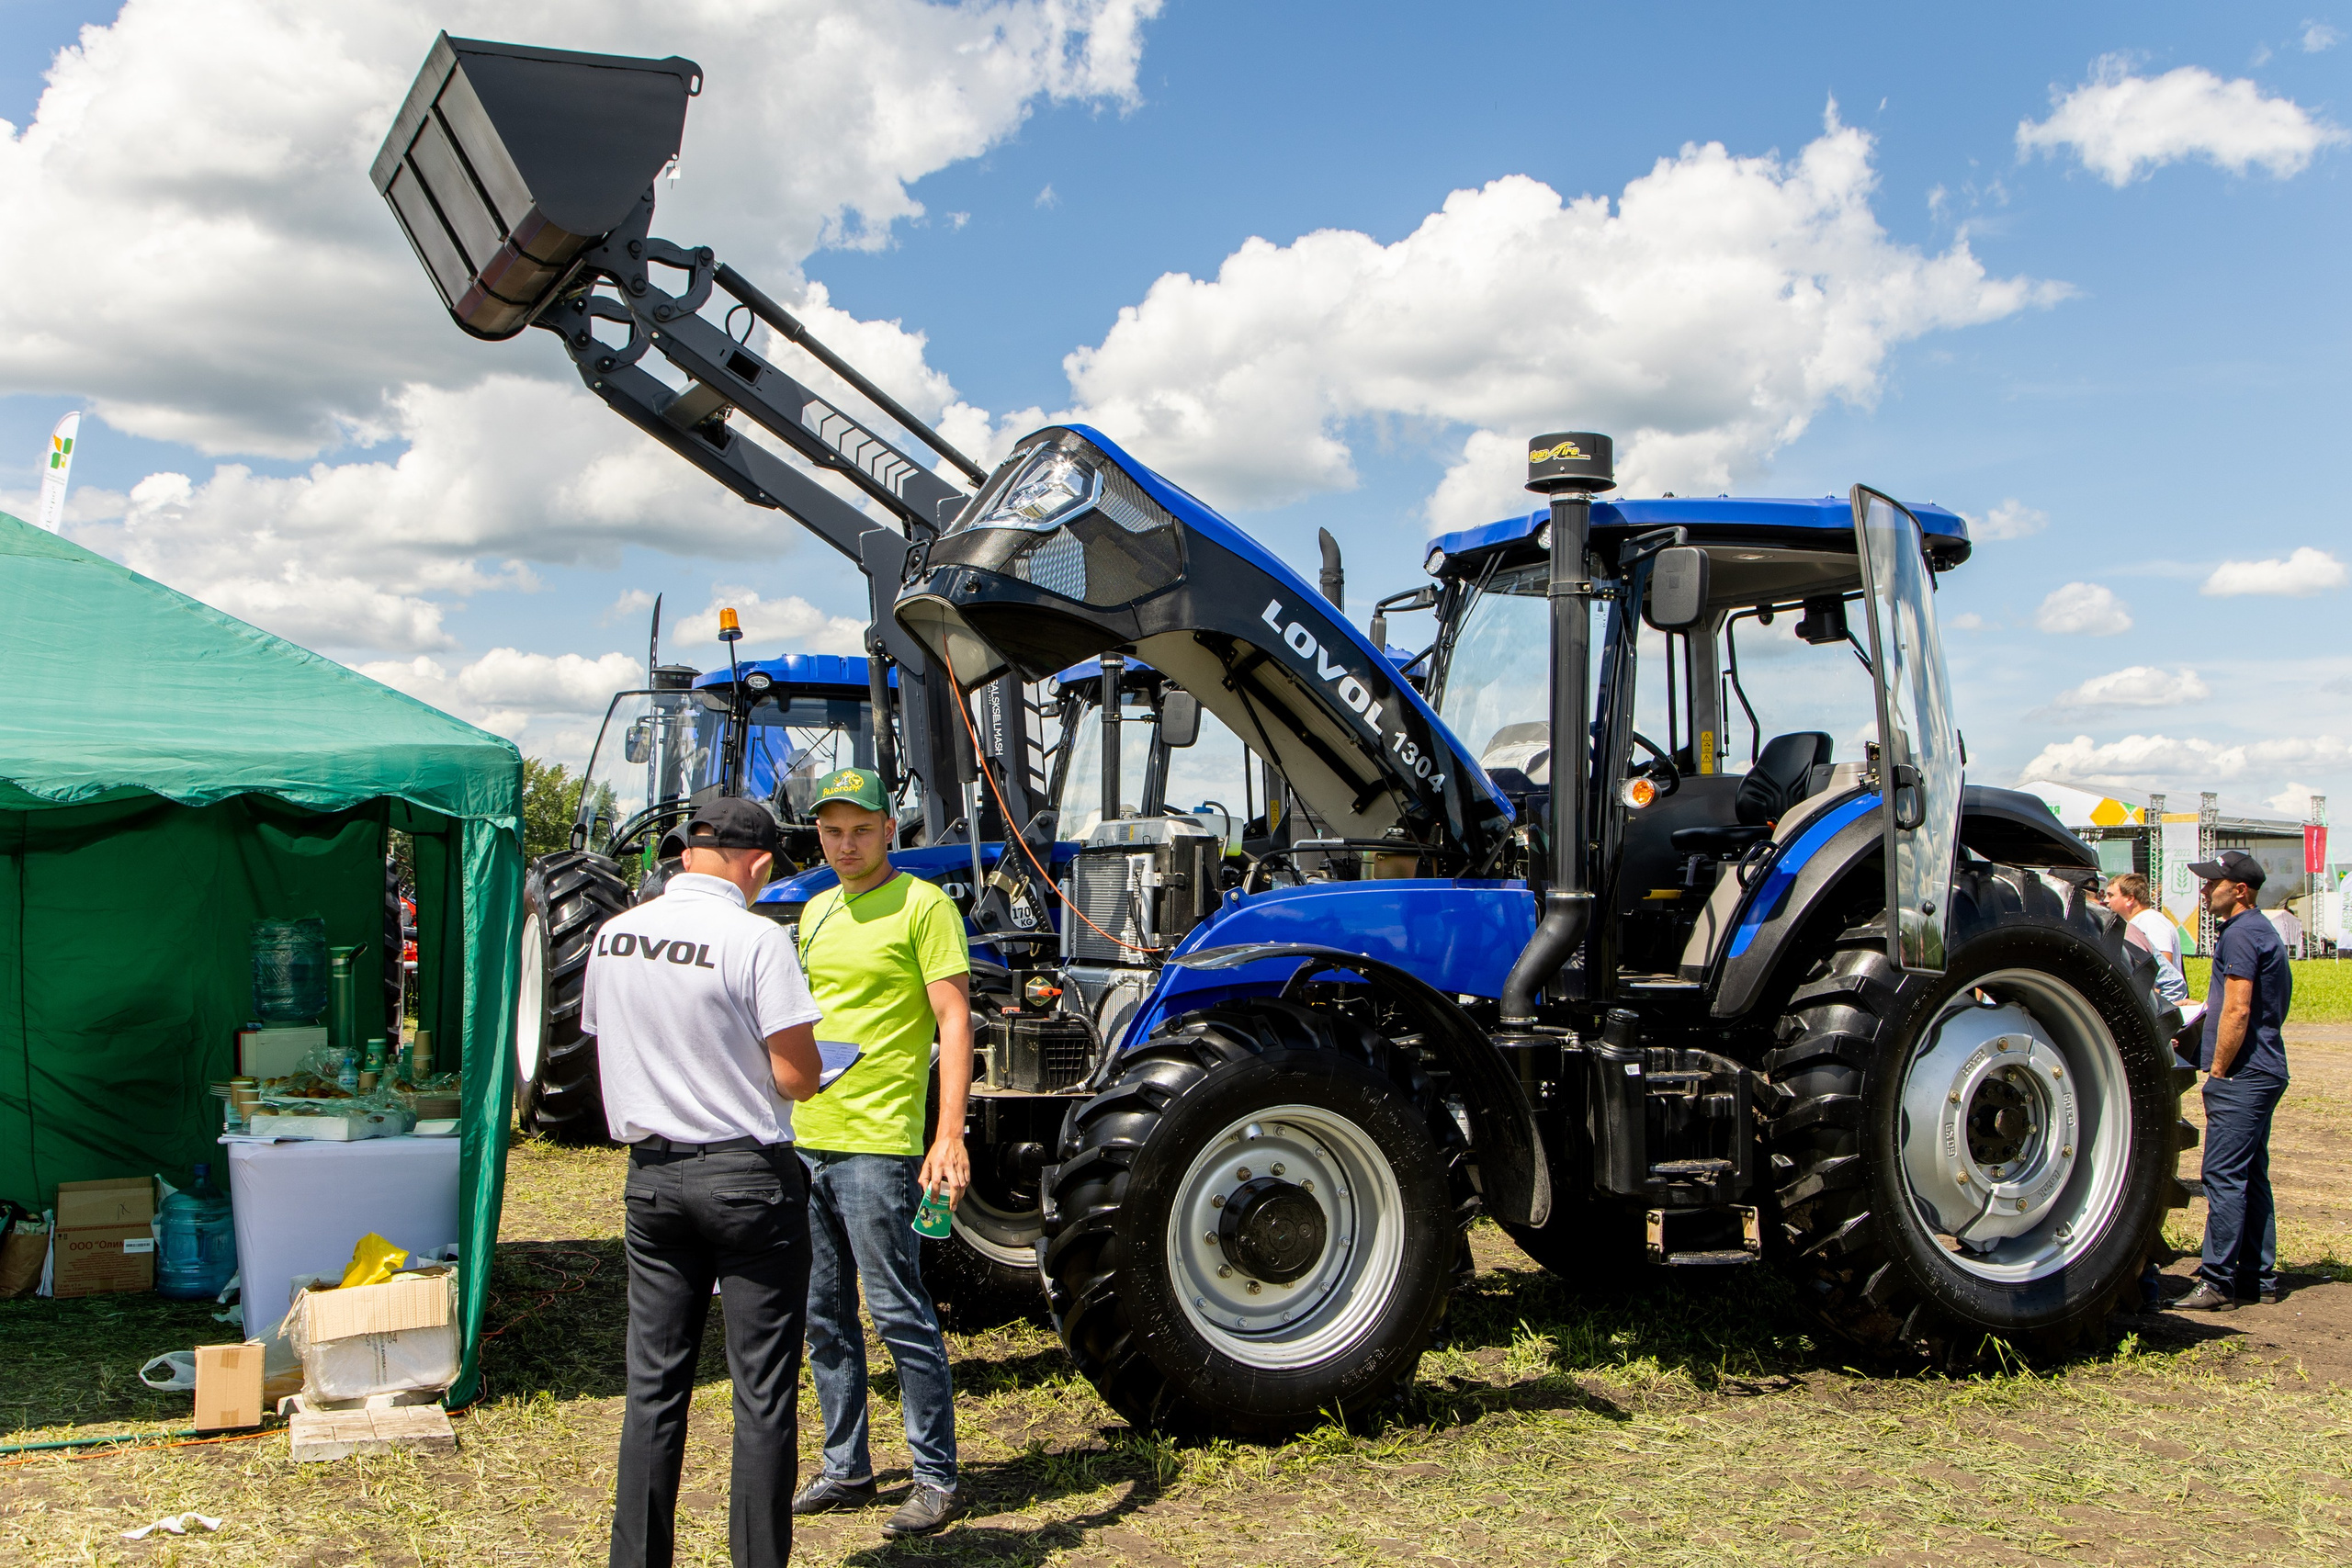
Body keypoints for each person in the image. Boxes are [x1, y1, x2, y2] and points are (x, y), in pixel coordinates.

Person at [582, 797, 826, 1568]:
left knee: (652, 1390)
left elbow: (611, 1036)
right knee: (762, 1395)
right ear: (758, 863)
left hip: (653, 1179)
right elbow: (798, 1076)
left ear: (687, 852)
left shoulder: (614, 933)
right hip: (747, 1177)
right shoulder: (757, 939)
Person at [788, 766, 974, 1538]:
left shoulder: (924, 906)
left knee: (898, 1310)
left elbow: (955, 1020)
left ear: (888, 830)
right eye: (833, 830)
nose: (846, 844)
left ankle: (935, 1475)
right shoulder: (815, 908)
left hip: (878, 1142)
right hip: (807, 1135)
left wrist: (948, 1132)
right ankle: (846, 1465)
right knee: (822, 1314)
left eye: (861, 829)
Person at [2173, 850, 2293, 1313]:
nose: (2204, 890)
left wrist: (2219, 1071)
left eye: (2212, 883)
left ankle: (2217, 1281)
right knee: (2251, 1174)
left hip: (2243, 1074)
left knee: (2222, 1175)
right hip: (2265, 1069)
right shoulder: (2258, 930)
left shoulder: (2241, 934)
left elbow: (2239, 1008)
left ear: (2239, 890)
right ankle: (2256, 1278)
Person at [2103, 872, 2191, 1010]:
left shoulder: (2150, 922)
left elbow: (2162, 973)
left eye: (2111, 895)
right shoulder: (2142, 921)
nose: (2105, 900)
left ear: (2130, 898)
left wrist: (2160, 1011)